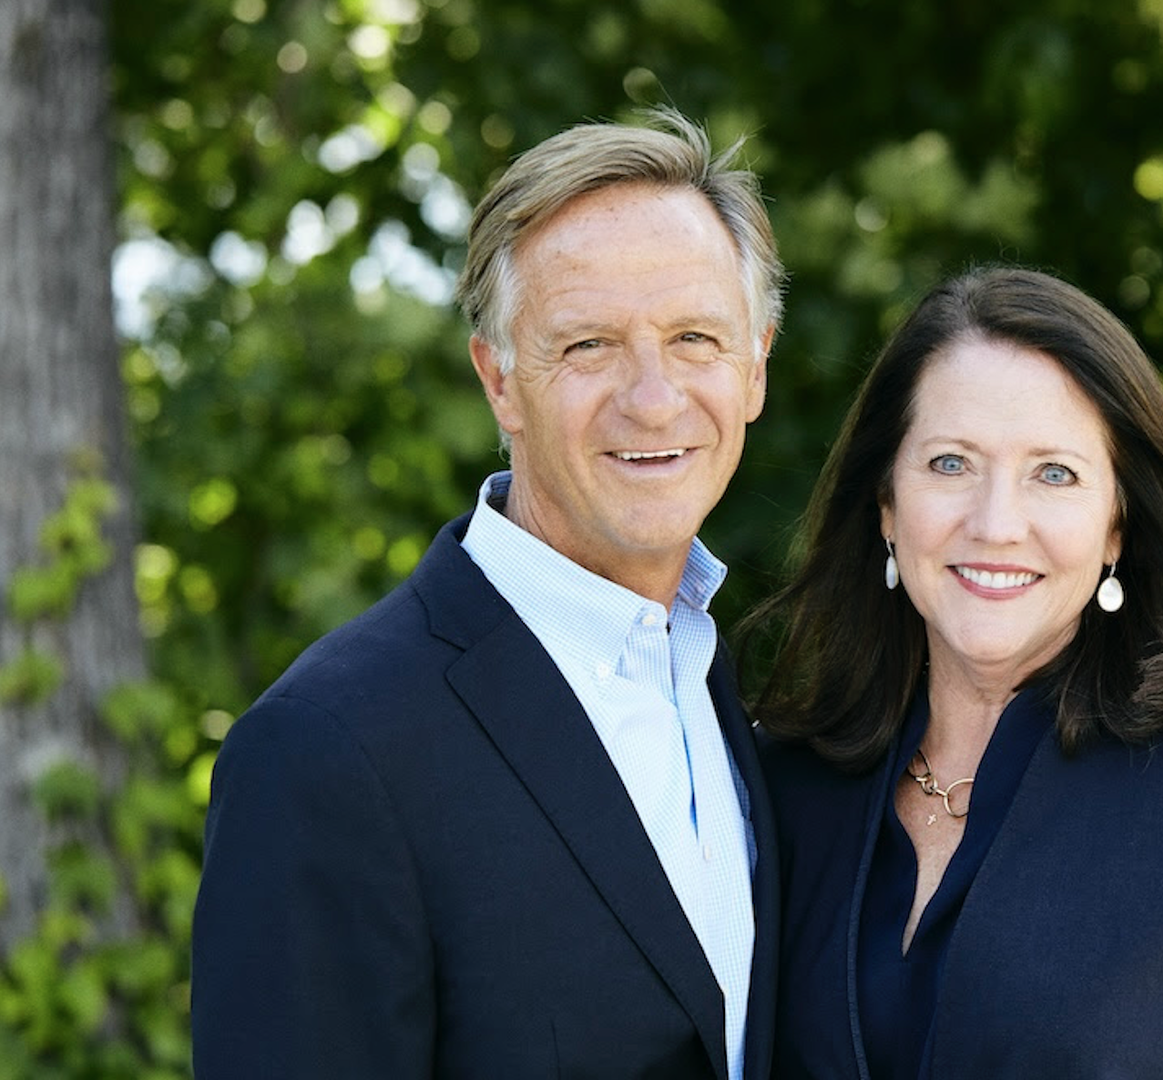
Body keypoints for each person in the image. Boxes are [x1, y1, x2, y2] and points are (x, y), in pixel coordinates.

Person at [191, 110, 785, 1080]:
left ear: (754, 367)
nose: (653, 398)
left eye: (695, 338)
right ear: (499, 380)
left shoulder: (730, 685)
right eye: (588, 345)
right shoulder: (327, 750)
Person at [748, 266, 1163, 1078]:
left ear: (1118, 525)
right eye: (951, 463)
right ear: (885, 502)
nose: (996, 523)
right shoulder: (784, 786)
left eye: (1054, 473)